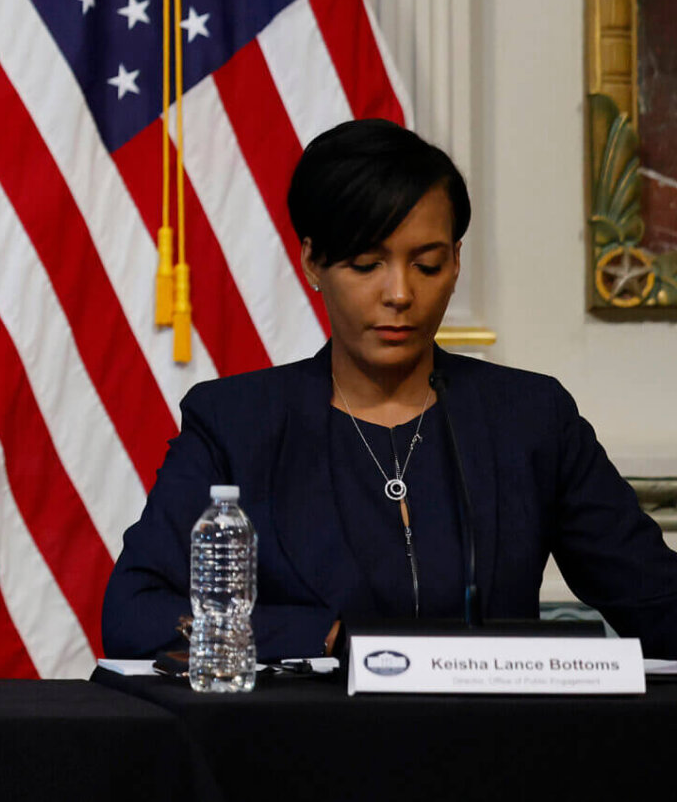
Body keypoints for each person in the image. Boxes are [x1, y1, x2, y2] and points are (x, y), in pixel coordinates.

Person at [103, 119, 677, 660]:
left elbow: (657, 604)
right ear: (312, 261)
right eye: (366, 264)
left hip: (497, 753)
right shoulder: (236, 422)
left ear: (455, 262)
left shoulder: (529, 417)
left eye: (426, 265)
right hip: (303, 755)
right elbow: (133, 615)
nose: (399, 293)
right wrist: (324, 636)